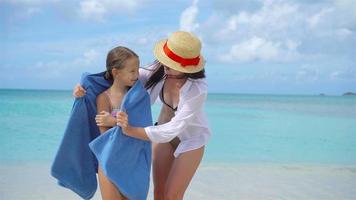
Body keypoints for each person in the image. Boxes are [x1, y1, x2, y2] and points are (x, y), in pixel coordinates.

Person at [74, 31, 211, 200]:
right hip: (163, 137)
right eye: (165, 61)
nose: (164, 65)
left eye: (170, 63)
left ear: (185, 68)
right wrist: (85, 88)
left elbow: (173, 128)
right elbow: (120, 76)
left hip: (191, 141)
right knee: (159, 193)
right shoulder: (159, 70)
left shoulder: (198, 89)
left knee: (172, 196)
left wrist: (129, 130)